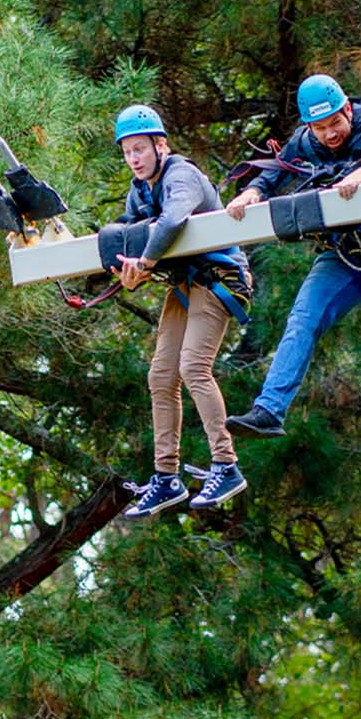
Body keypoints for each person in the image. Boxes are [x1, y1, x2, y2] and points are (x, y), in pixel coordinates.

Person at [221, 74, 361, 445]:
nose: (330, 134)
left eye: (336, 123)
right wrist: (254, 192)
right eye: (320, 128)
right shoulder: (304, 143)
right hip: (342, 252)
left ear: (348, 110)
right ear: (309, 127)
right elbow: (273, 172)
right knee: (303, 318)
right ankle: (269, 410)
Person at [108, 104, 252, 518]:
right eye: (127, 152)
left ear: (160, 145)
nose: (134, 159)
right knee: (161, 375)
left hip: (220, 278)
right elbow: (127, 233)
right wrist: (124, 271)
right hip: (186, 285)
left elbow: (173, 221)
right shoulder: (140, 190)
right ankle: (166, 476)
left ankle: (225, 464)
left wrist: (147, 263)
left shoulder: (181, 175)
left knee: (193, 367)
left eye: (140, 149)